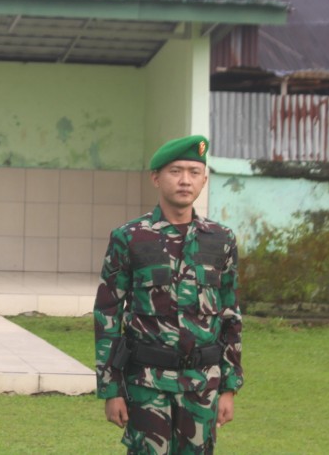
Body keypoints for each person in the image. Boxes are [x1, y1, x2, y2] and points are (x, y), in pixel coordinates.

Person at [93, 135, 243, 454]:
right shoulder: (129, 238)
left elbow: (230, 314)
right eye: (175, 171)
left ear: (204, 179)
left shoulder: (221, 240)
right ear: (156, 178)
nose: (185, 180)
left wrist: (229, 387)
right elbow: (107, 316)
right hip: (147, 383)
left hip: (203, 383)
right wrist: (111, 389)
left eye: (193, 171)